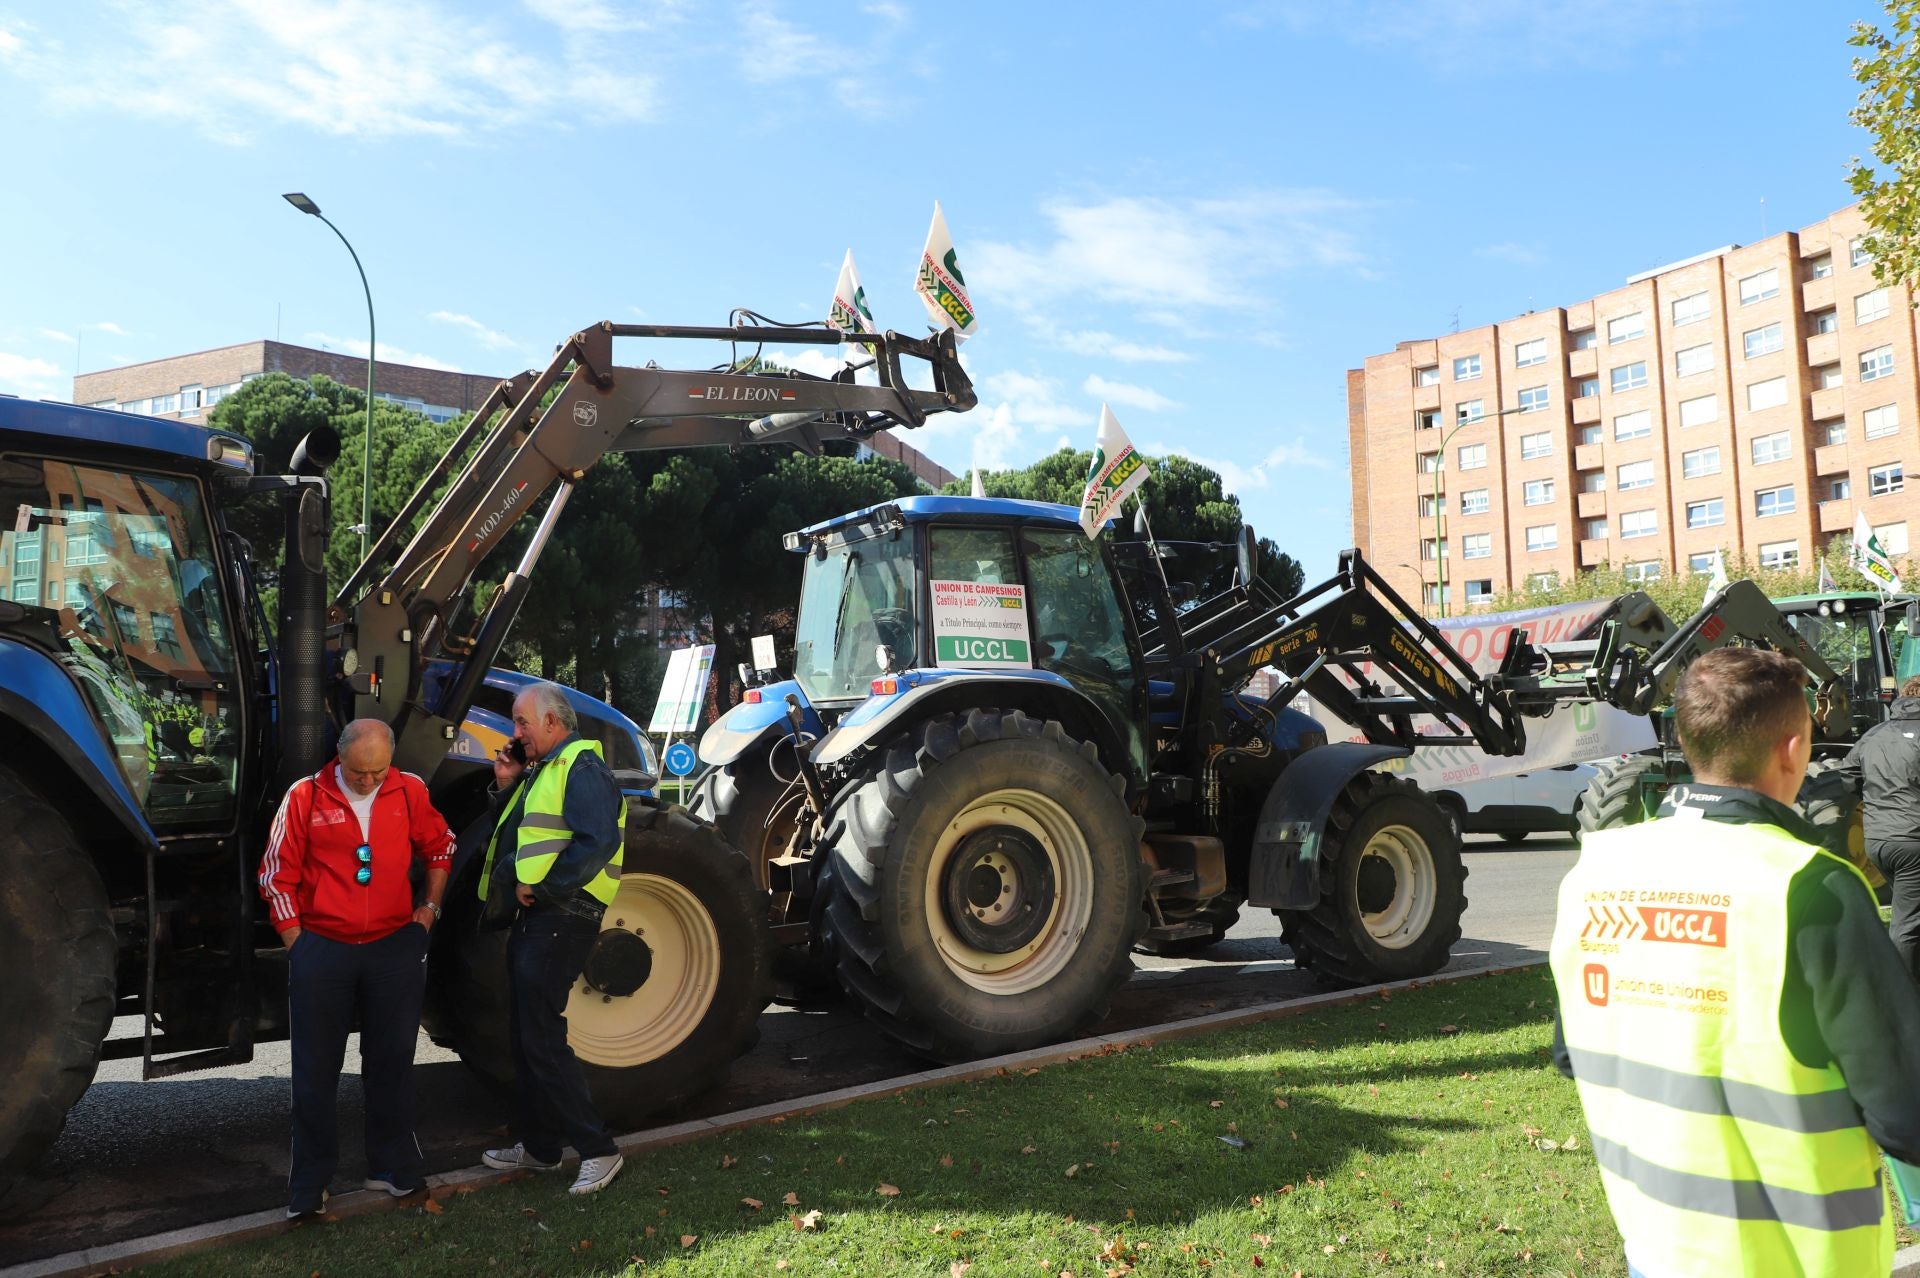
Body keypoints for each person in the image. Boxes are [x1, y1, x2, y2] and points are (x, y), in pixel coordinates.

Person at [1548, 648, 1920, 1277]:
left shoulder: (1598, 870)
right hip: (1797, 1259)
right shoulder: (1811, 886)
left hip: (1657, 1246)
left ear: (1688, 740)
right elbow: (1904, 1111)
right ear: (1793, 748)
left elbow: (1571, 1052)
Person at [258, 719, 455, 1220]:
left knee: (392, 1063)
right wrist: (298, 943)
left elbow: (440, 847)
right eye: (358, 771)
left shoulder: (409, 791)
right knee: (315, 1072)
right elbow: (275, 873)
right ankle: (309, 1183)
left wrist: (427, 912)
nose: (368, 781)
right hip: (323, 948)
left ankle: (391, 1166)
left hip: (393, 947)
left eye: (378, 771)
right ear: (339, 757)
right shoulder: (304, 796)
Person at [476, 682, 627, 1197]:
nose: (514, 733)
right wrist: (505, 783)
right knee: (527, 1035)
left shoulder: (580, 765)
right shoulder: (545, 770)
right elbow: (519, 832)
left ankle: (598, 1150)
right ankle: (540, 1147)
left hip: (563, 914)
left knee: (540, 1036)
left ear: (552, 723)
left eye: (521, 722)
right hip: (544, 917)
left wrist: (541, 886)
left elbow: (599, 841)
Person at [1836, 674, 1920, 984]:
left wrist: (1877, 803)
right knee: (1907, 923)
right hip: (1912, 840)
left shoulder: (1874, 733)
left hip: (1878, 838)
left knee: (1908, 911)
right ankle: (1903, 992)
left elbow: (1848, 774)